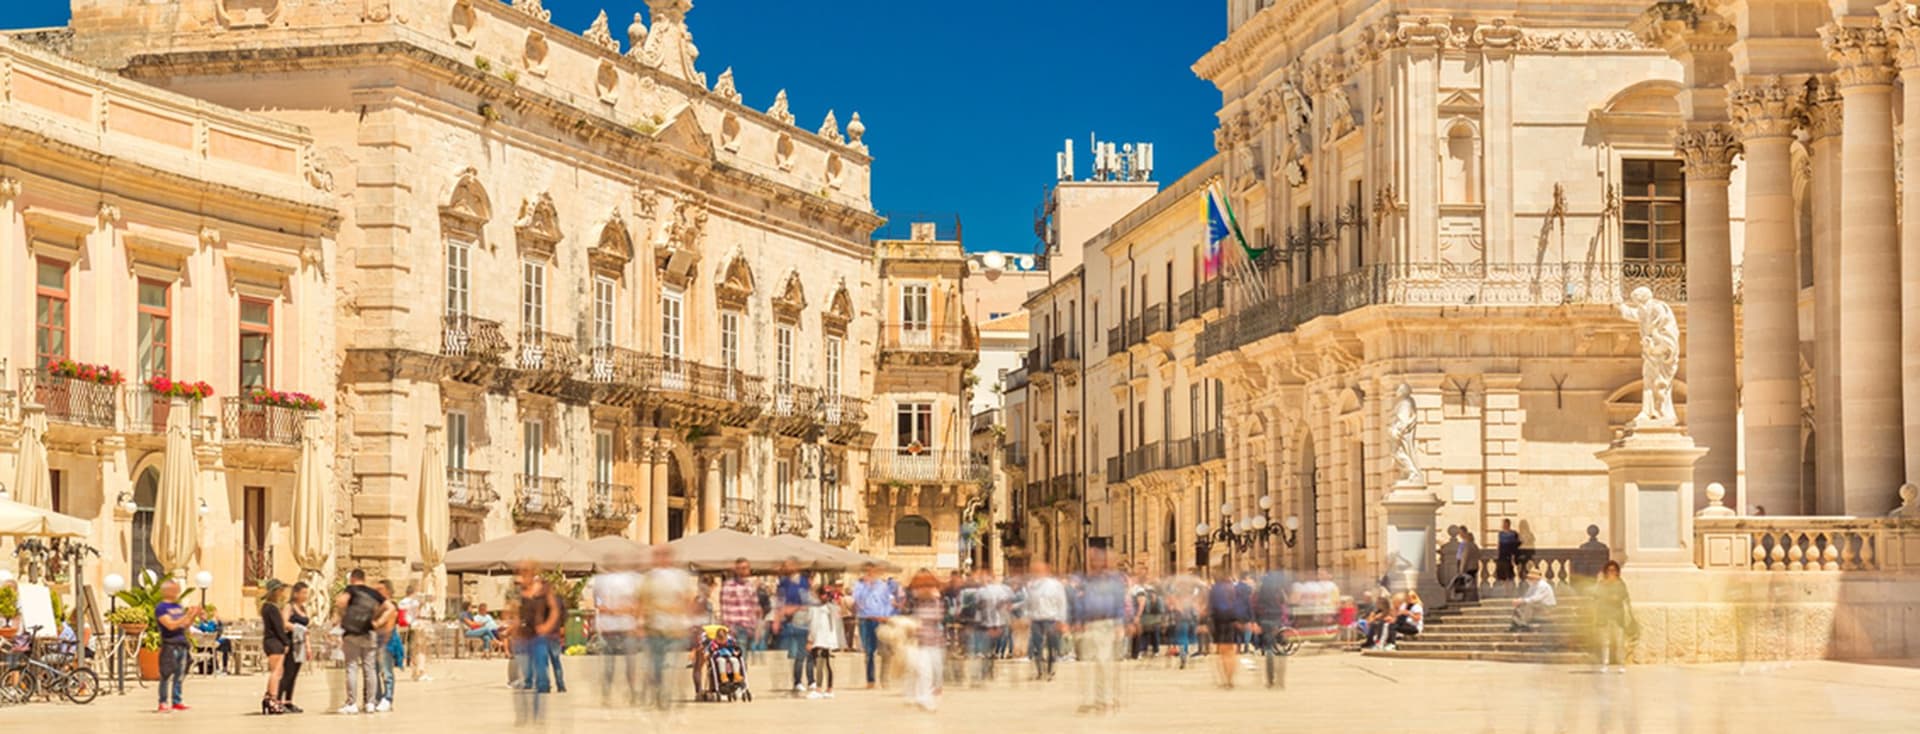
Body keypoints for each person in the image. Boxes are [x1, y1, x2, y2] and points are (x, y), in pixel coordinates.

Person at [640, 544, 697, 710]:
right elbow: (642, 600)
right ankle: (659, 690)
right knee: (657, 664)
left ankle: (669, 691)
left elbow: (687, 599)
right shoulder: (649, 577)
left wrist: (688, 621)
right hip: (655, 627)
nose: (662, 558)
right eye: (659, 555)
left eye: (664, 555)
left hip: (675, 628)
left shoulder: (679, 576)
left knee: (675, 664)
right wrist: (641, 622)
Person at [1075, 548, 1129, 713]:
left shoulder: (1114, 582)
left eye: (1096, 560)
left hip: (1107, 624)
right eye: (1091, 561)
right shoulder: (1087, 582)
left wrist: (1120, 623)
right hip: (1090, 624)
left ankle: (1106, 699)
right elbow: (1081, 601)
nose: (1093, 564)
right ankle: (1092, 699)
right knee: (1088, 664)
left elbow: (1120, 603)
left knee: (1104, 663)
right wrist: (1078, 620)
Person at [333, 568, 394, 715]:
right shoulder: (373, 593)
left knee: (352, 667)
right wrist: (378, 622)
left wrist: (342, 615)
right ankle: (370, 703)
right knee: (370, 669)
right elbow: (390, 607)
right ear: (363, 578)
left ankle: (352, 703)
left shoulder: (351, 589)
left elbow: (341, 602)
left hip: (352, 634)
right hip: (369, 633)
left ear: (352, 578)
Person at [511, 562, 561, 724]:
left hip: (538, 638)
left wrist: (547, 626)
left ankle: (538, 715)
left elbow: (554, 609)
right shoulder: (516, 592)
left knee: (541, 677)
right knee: (525, 676)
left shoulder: (543, 590)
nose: (523, 576)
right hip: (521, 638)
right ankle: (523, 715)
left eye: (526, 573)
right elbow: (511, 611)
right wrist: (512, 625)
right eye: (521, 572)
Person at [592, 550, 643, 706]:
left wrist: (620, 611)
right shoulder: (600, 581)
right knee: (609, 666)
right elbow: (598, 603)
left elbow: (637, 604)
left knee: (630, 665)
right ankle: (606, 695)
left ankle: (632, 692)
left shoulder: (631, 580)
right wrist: (619, 609)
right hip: (609, 629)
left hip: (627, 628)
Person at [849, 562, 898, 689]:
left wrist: (888, 616)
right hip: (865, 620)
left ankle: (885, 679)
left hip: (881, 621)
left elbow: (890, 602)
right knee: (869, 652)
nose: (870, 573)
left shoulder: (883, 586)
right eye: (868, 570)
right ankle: (870, 680)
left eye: (873, 571)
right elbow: (856, 603)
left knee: (885, 652)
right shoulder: (859, 585)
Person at [903, 569, 945, 712]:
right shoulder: (912, 602)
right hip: (916, 642)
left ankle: (919, 696)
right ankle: (922, 698)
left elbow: (939, 617)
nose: (927, 589)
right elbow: (904, 617)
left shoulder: (936, 601)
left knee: (929, 671)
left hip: (933, 640)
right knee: (923, 671)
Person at [770, 558, 813, 694]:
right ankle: (797, 681)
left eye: (787, 565)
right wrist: (777, 619)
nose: (785, 568)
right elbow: (779, 601)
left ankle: (811, 680)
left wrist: (794, 609)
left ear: (796, 566)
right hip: (788, 621)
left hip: (802, 619)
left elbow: (807, 601)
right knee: (793, 653)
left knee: (805, 651)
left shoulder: (804, 582)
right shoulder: (783, 583)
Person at [153, 580, 195, 713]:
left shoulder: (178, 606)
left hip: (182, 643)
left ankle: (177, 701)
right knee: (166, 674)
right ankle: (163, 701)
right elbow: (170, 625)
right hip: (169, 644)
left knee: (180, 674)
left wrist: (192, 615)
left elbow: (184, 624)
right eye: (174, 589)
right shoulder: (161, 608)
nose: (177, 592)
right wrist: (186, 616)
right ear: (167, 591)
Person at [1023, 561, 1068, 681]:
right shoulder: (1031, 585)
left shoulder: (1055, 585)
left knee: (1052, 645)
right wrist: (1027, 616)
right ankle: (1040, 670)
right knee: (1037, 646)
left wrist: (1061, 620)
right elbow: (1028, 603)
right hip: (1036, 619)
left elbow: (1061, 602)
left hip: (1051, 619)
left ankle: (1050, 668)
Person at [1206, 570, 1248, 689]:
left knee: (1222, 653)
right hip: (1233, 621)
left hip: (1219, 622)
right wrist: (1243, 620)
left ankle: (1225, 679)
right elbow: (1243, 604)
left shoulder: (1215, 589)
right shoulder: (1234, 588)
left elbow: (1210, 607)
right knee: (1231, 651)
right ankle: (1230, 678)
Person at [1592, 561, 1634, 673]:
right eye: (1609, 570)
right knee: (1605, 641)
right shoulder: (1601, 584)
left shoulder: (1620, 584)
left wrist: (1629, 614)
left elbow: (1625, 597)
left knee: (1619, 641)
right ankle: (1604, 663)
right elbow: (1595, 596)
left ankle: (1622, 664)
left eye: (1614, 570)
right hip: (1604, 616)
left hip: (1617, 616)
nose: (1612, 572)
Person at [970, 570, 1012, 682]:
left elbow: (976, 605)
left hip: (989, 622)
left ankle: (987, 669)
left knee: (988, 647)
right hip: (994, 622)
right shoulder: (996, 590)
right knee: (989, 647)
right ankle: (988, 669)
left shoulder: (983, 591)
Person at [1253, 569, 1291, 689]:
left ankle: (1270, 679)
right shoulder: (1279, 591)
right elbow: (1285, 606)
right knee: (1281, 649)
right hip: (1279, 621)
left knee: (1269, 649)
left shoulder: (1259, 592)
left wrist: (1256, 622)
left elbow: (1254, 606)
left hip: (1265, 621)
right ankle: (1281, 679)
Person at [259, 579, 292, 715]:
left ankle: (269, 697)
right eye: (280, 590)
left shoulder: (266, 607)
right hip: (275, 642)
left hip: (270, 641)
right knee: (276, 672)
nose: (282, 592)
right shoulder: (272, 608)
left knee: (277, 672)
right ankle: (272, 699)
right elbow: (279, 628)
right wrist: (286, 642)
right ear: (275, 591)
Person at [278, 581, 311, 713]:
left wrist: (308, 646)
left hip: (301, 644)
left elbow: (307, 629)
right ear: (296, 593)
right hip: (291, 642)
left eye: (306, 592)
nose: (305, 595)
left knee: (294, 674)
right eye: (303, 592)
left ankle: (289, 701)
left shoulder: (303, 609)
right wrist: (298, 628)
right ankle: (279, 700)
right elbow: (284, 623)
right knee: (287, 673)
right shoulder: (289, 607)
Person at [805, 584, 843, 699]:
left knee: (821, 663)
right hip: (825, 639)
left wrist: (810, 640)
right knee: (826, 663)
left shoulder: (818, 608)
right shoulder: (830, 608)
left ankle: (819, 689)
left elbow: (814, 624)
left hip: (821, 639)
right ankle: (829, 689)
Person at [718, 558, 761, 656]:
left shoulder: (750, 586)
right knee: (738, 658)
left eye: (746, 568)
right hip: (734, 627)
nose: (744, 571)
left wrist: (756, 627)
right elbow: (724, 608)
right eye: (741, 568)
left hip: (748, 628)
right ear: (736, 570)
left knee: (741, 658)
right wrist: (726, 628)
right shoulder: (728, 586)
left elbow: (754, 607)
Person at [374, 579, 404, 711]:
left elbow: (389, 625)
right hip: (375, 641)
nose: (377, 592)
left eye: (380, 589)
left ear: (388, 591)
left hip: (387, 641)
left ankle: (388, 697)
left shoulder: (391, 606)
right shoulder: (377, 605)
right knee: (374, 671)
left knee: (386, 671)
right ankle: (377, 697)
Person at [1496, 519, 1523, 593]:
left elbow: (1516, 545)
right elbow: (1499, 544)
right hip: (1502, 556)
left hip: (1509, 556)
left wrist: (1514, 556)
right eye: (1503, 524)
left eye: (1504, 524)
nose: (1503, 525)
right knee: (1503, 575)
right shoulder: (1500, 533)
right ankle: (1506, 590)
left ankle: (1510, 590)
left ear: (1508, 524)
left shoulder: (1513, 533)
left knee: (1509, 574)